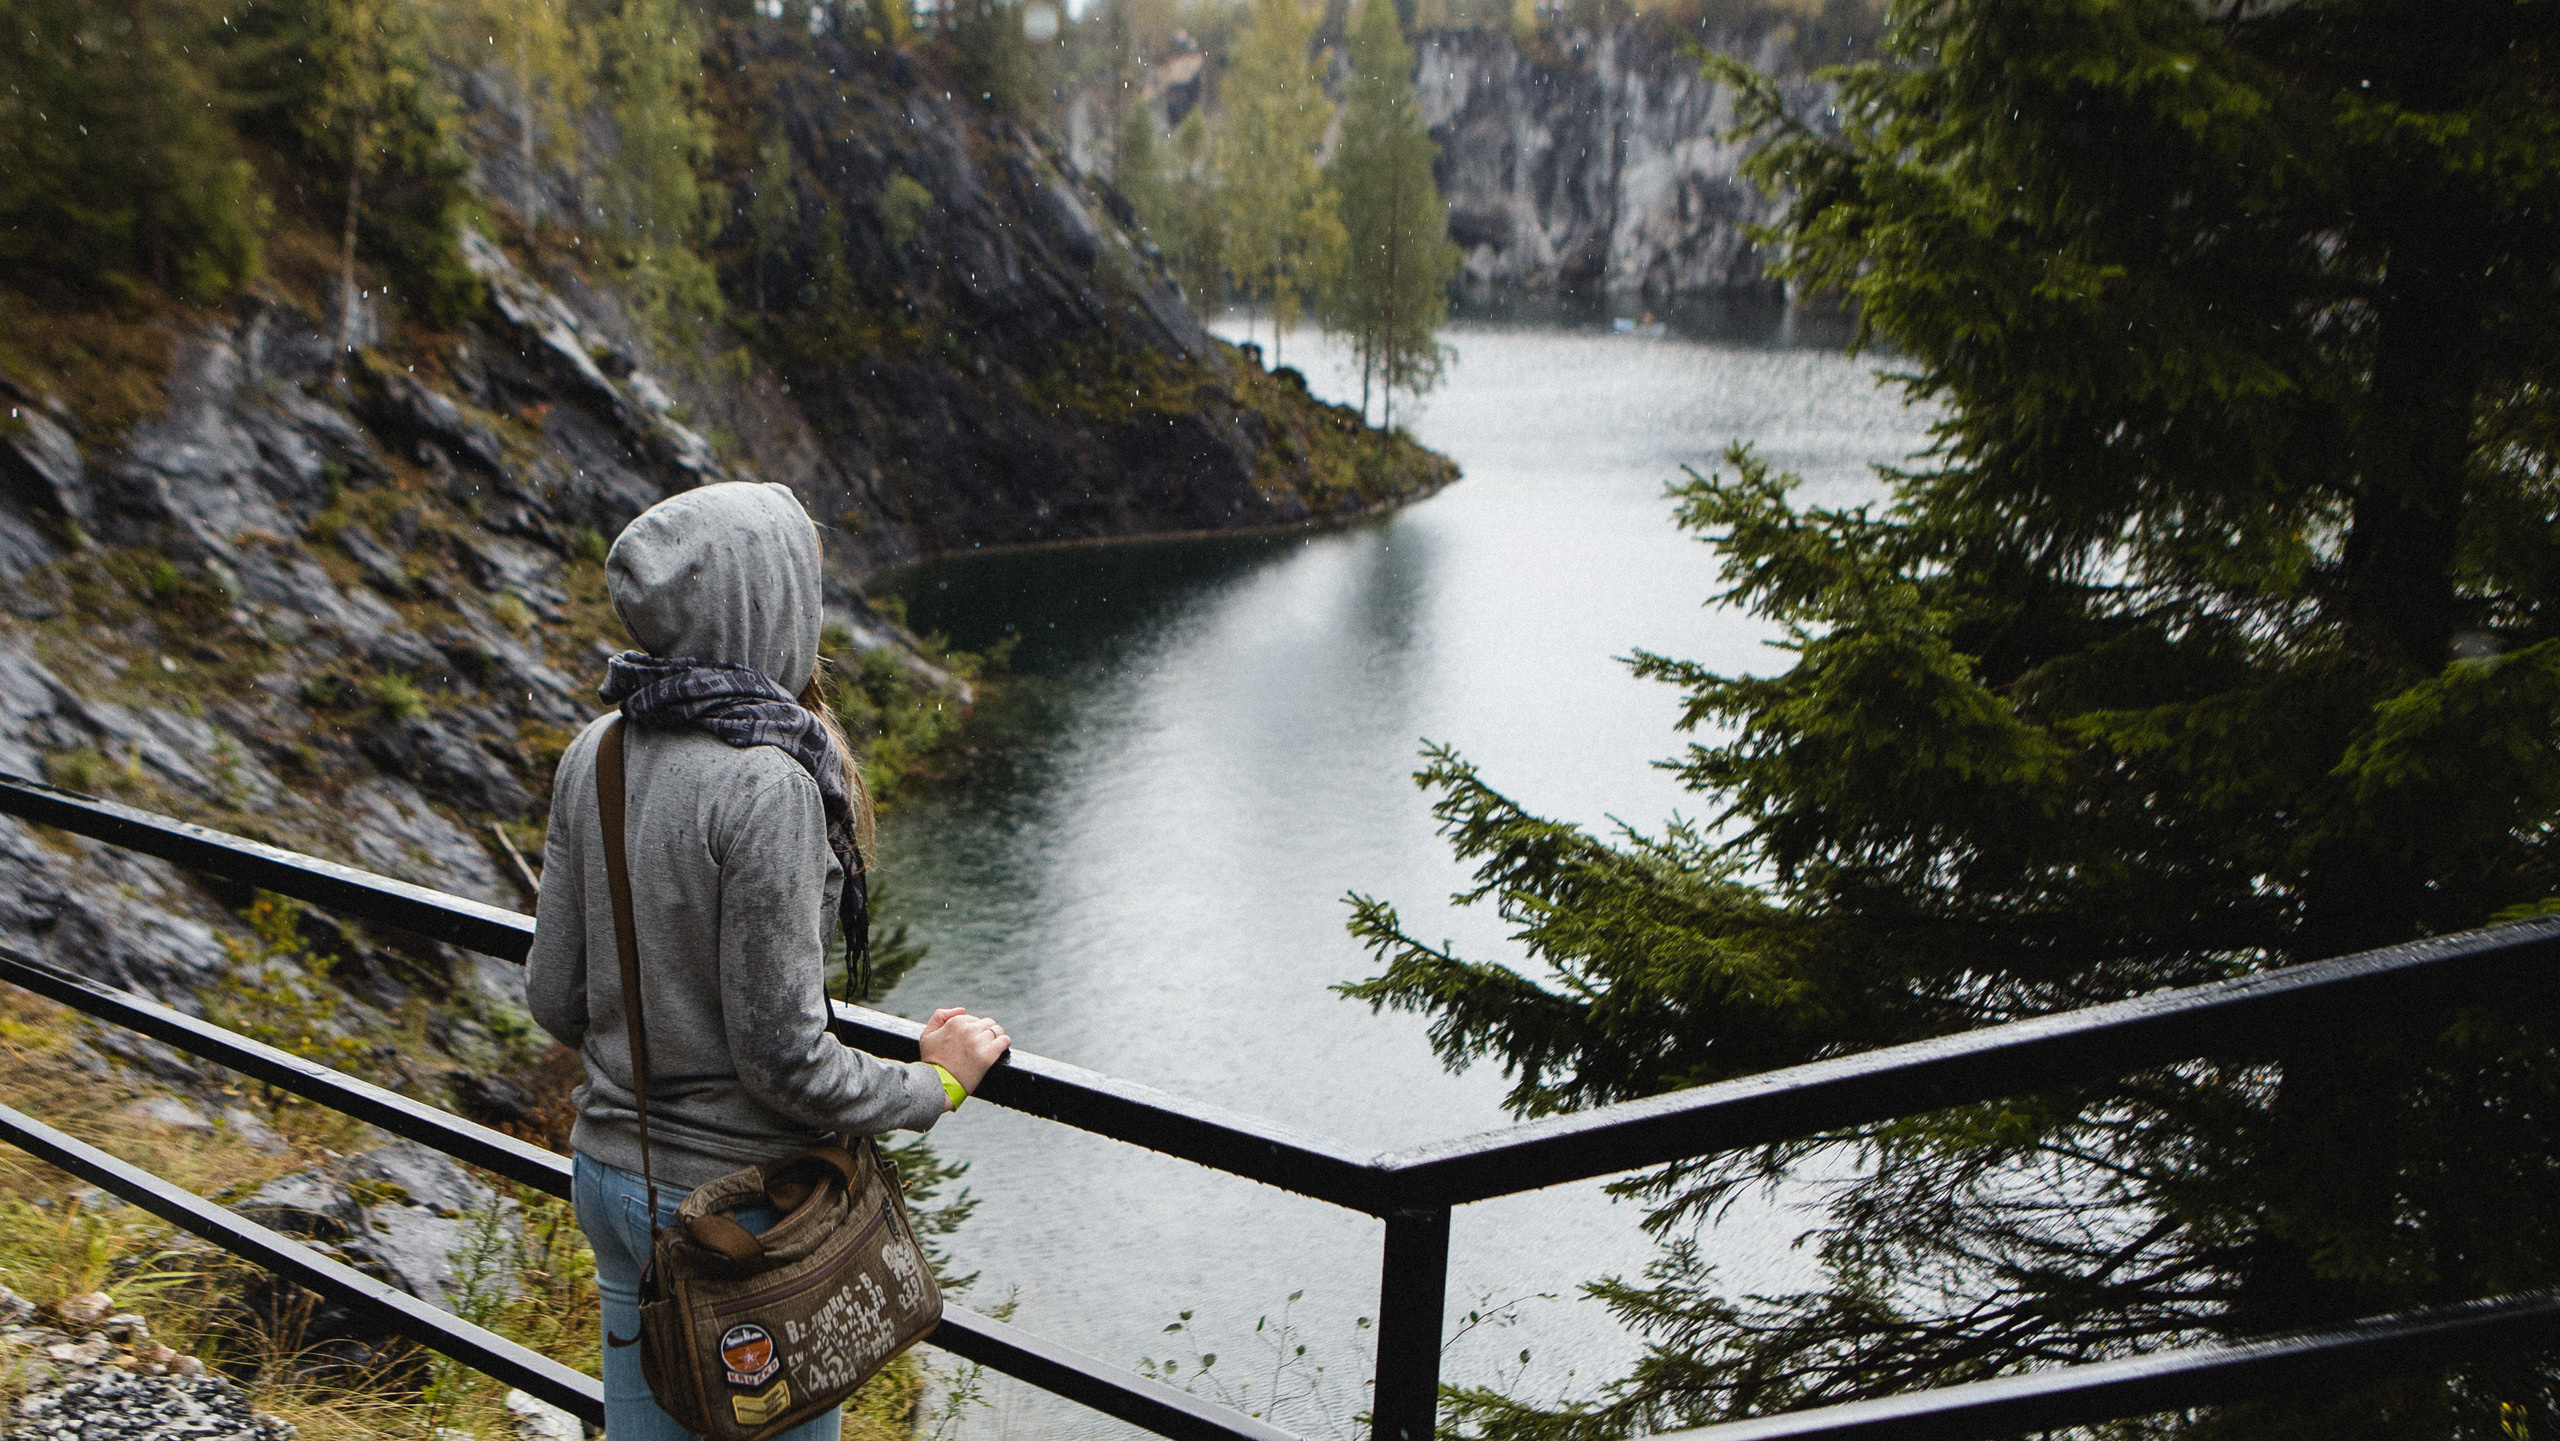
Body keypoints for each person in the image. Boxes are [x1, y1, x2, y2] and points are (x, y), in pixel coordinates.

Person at [527, 481, 1010, 1441]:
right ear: (769, 604)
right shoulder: (768, 784)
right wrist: (934, 1084)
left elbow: (553, 994)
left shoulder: (598, 751)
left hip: (610, 1183)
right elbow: (782, 1057)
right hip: (736, 1221)